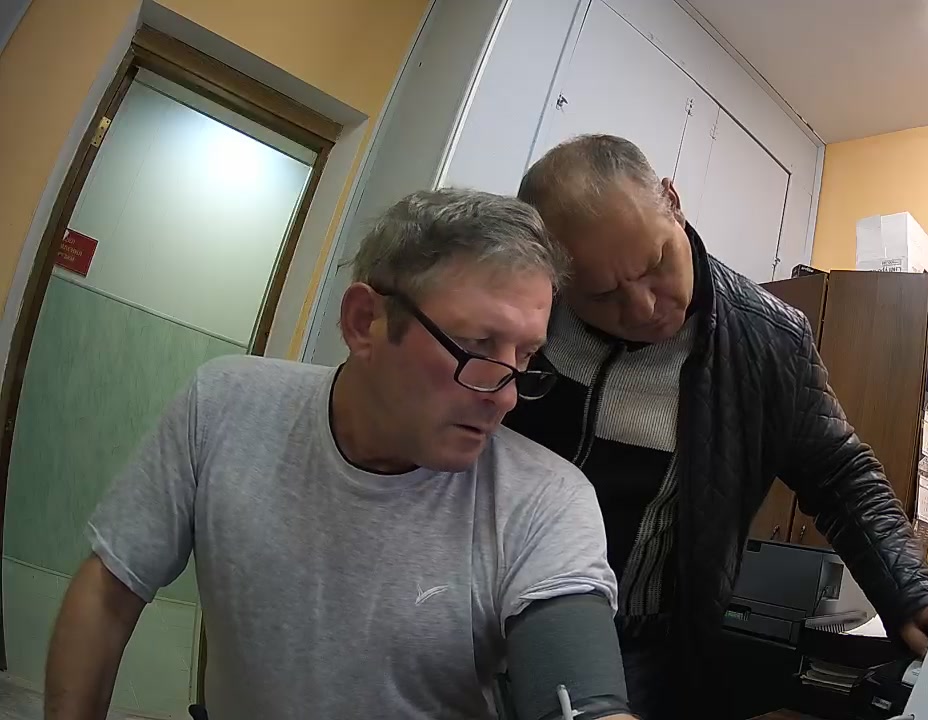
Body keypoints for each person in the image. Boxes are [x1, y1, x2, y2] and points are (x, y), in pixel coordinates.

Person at [45, 189, 636, 720]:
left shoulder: (546, 499)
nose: (505, 395)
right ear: (364, 322)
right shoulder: (224, 405)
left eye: (525, 355)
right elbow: (110, 591)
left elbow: (580, 700)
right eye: (478, 343)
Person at [506, 135, 928, 717]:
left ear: (672, 201)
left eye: (656, 265)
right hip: (489, 612)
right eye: (603, 295)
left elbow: (841, 475)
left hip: (646, 644)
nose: (643, 308)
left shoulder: (770, 339)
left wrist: (910, 591)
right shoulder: (516, 314)